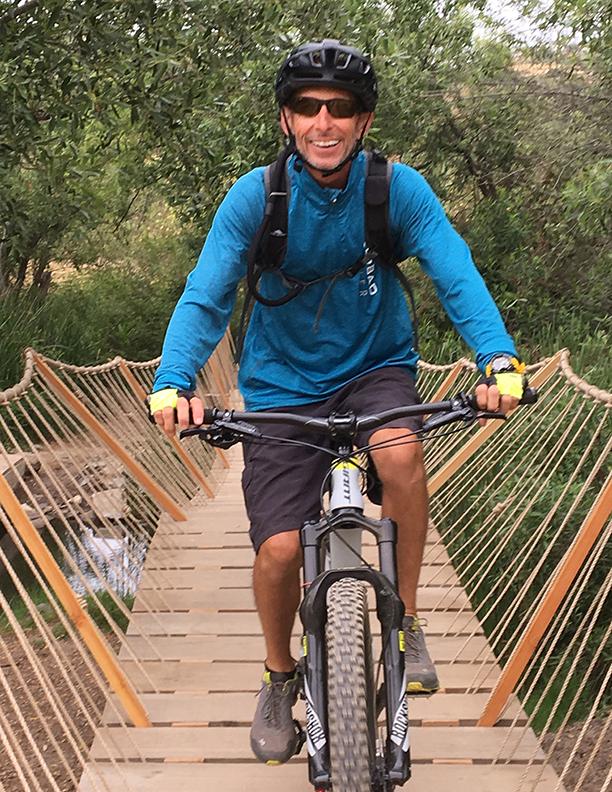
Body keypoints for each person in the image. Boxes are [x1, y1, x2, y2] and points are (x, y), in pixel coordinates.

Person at [148, 40, 527, 766]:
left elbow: (454, 269)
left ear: (364, 120)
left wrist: (497, 359)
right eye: (307, 106)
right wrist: (174, 380)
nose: (324, 122)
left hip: (376, 367)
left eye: (341, 108)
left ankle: (408, 620)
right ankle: (277, 673)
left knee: (401, 450)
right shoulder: (255, 198)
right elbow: (207, 294)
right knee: (281, 548)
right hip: (282, 385)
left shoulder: (396, 190)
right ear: (285, 119)